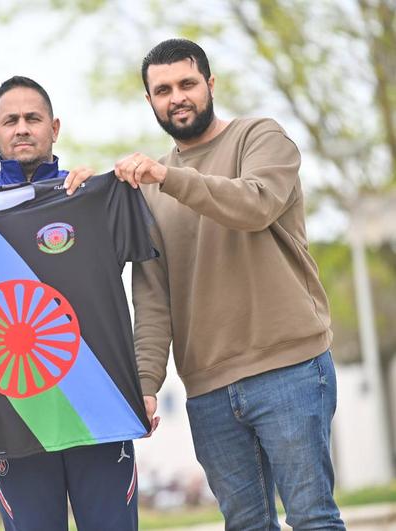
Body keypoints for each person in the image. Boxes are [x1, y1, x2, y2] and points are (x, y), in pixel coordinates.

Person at [115, 38, 345, 530]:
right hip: (208, 390)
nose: (176, 97)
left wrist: (168, 178)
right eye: (162, 90)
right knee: (244, 526)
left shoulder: (261, 138)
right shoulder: (150, 192)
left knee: (312, 519)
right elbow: (153, 297)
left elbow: (254, 205)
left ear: (210, 85)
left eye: (187, 84)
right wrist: (147, 383)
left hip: (290, 369)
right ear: (150, 100)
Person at [0, 76, 142, 531]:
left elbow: (152, 278)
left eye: (33, 118)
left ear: (55, 127)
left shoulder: (90, 196)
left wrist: (114, 186)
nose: (22, 128)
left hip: (99, 410)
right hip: (14, 423)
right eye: (10, 120)